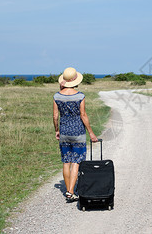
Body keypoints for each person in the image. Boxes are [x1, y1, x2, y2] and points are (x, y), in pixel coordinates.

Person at [53, 67, 98, 202]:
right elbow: (83, 115)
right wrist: (91, 133)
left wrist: (57, 130)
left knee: (66, 161)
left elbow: (55, 116)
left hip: (64, 132)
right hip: (78, 132)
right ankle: (71, 191)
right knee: (76, 161)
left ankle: (68, 190)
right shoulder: (80, 96)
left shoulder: (57, 96)